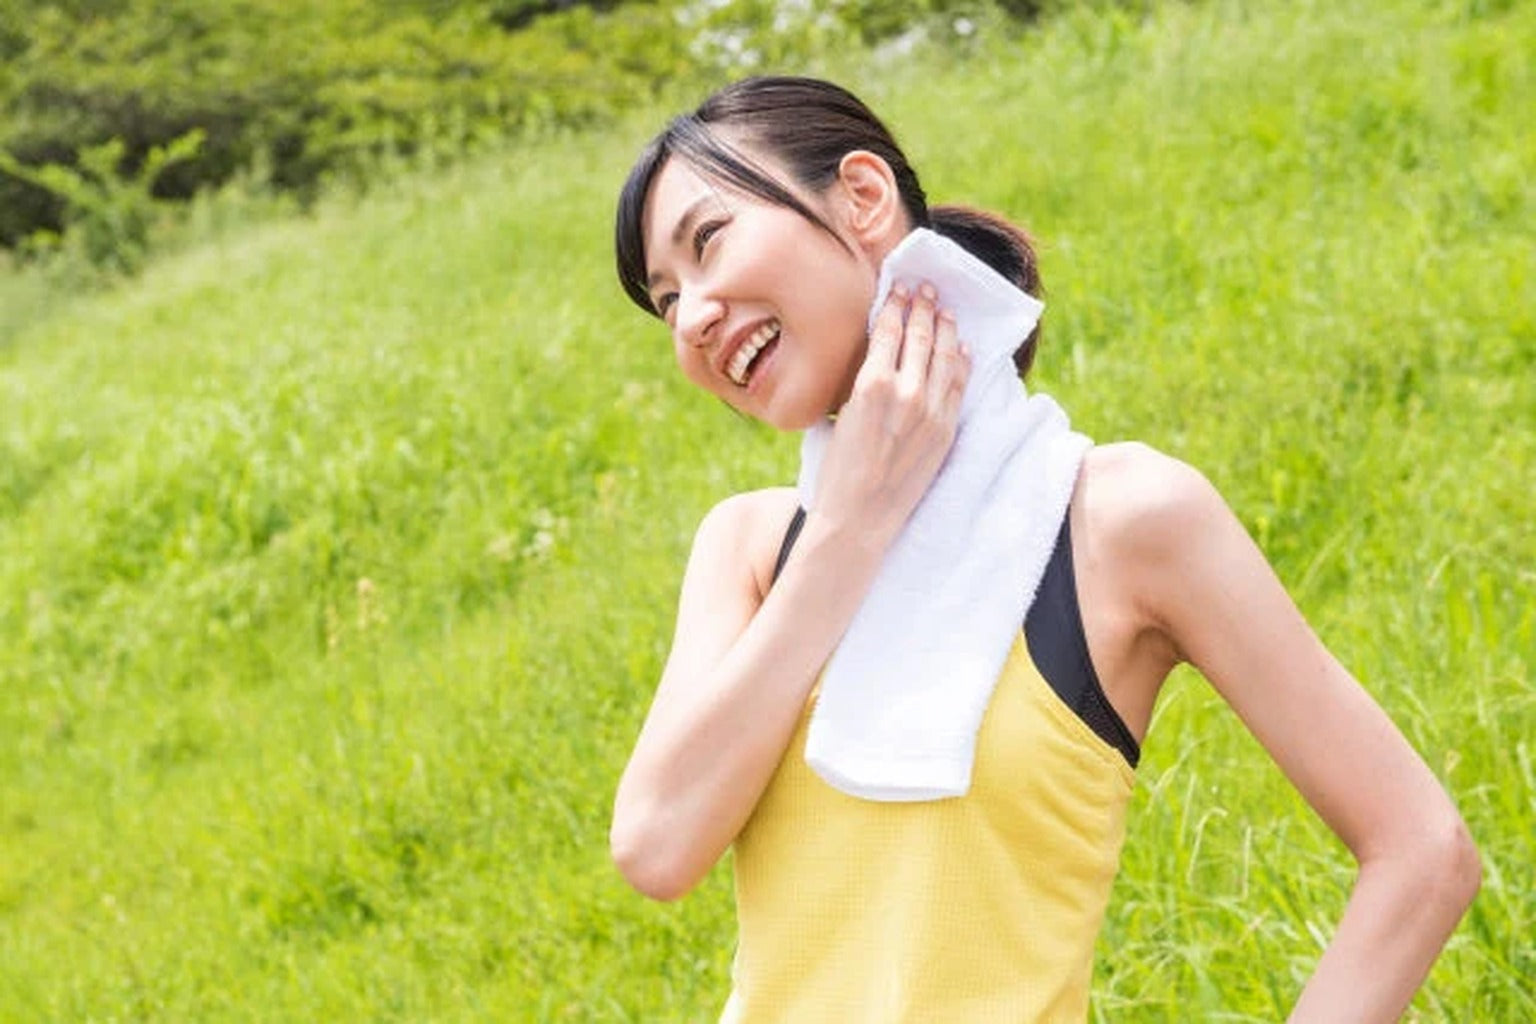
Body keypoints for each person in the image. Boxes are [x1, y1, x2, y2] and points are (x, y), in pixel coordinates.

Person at [607, 75, 1479, 1022]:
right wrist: (853, 526)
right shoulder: (749, 548)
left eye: (708, 240)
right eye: (665, 300)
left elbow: (1422, 852)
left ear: (862, 196)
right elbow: (658, 847)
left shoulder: (1119, 520)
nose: (691, 316)